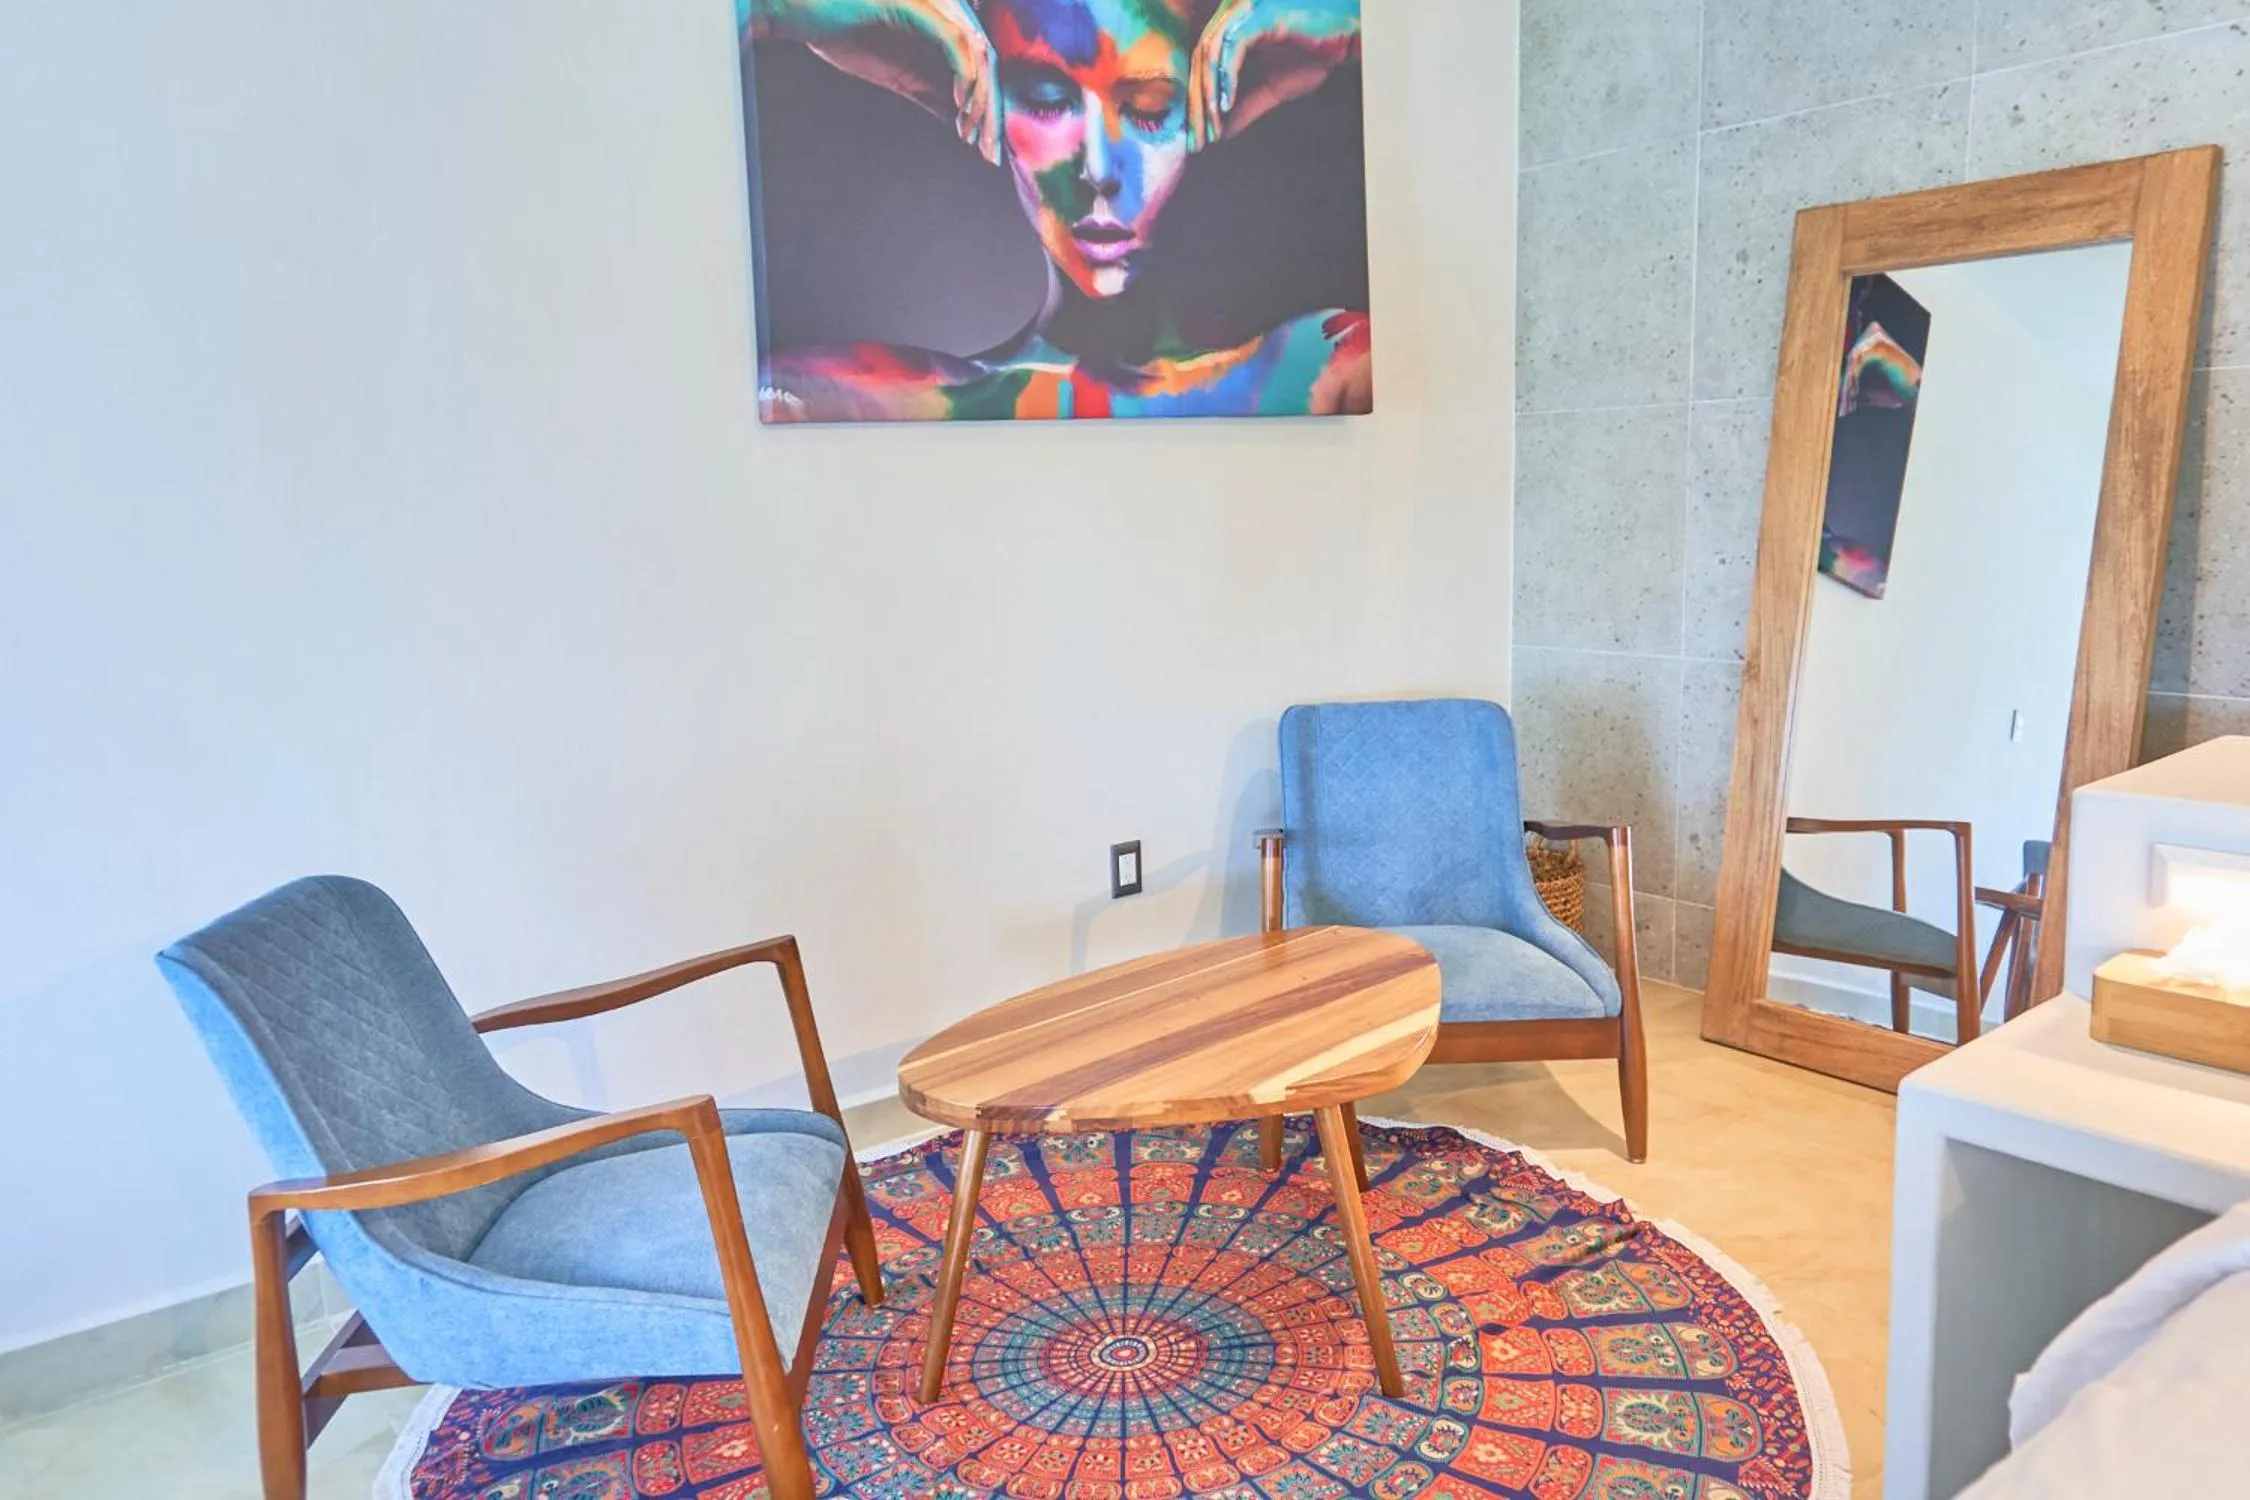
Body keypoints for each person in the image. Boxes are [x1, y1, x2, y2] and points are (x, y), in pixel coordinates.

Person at [742, 0, 1371, 421]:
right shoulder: (883, 401)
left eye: (1150, 109)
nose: (1098, 170)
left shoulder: (1328, 371)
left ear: (1216, 100)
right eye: (1046, 101)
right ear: (978, 99)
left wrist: (1355, 19)